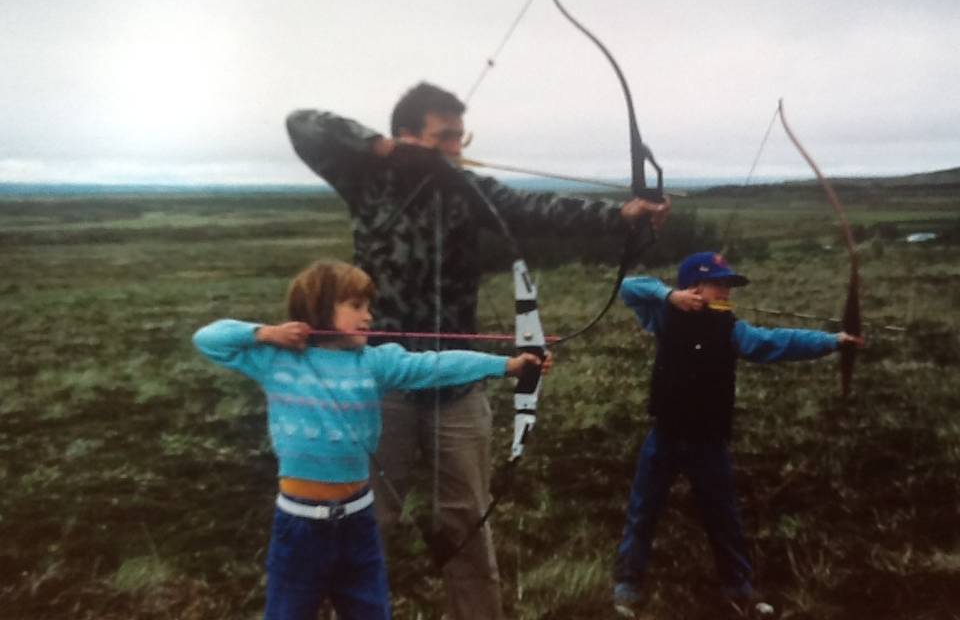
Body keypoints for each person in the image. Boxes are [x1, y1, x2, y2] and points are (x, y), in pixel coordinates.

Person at [286, 81, 670, 619]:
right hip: (380, 380)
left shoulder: (468, 189)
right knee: (365, 516)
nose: (455, 149)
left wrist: (622, 217)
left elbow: (536, 209)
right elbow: (301, 123)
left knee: (466, 518)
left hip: (455, 380)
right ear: (407, 135)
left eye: (459, 138)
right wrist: (380, 148)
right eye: (443, 137)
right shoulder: (368, 179)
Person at [192, 260, 551, 620]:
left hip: (358, 524)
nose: (369, 316)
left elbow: (437, 365)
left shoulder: (375, 362)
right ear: (319, 307)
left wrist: (508, 366)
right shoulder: (277, 360)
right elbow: (208, 339)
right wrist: (265, 334)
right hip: (299, 526)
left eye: (369, 306)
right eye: (356, 306)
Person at [612, 251, 865, 618]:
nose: (726, 292)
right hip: (664, 435)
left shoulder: (731, 330)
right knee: (642, 511)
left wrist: (832, 341)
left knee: (723, 517)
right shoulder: (663, 316)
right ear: (694, 287)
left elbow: (777, 342)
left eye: (728, 285)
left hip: (708, 440)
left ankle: (738, 589)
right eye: (718, 284)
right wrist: (669, 295)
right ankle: (628, 585)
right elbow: (627, 287)